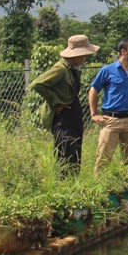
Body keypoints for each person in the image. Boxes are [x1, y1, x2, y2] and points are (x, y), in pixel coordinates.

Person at [30, 34, 99, 175]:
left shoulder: (71, 68)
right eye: (84, 54)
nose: (85, 58)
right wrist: (57, 103)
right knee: (65, 161)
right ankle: (64, 186)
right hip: (64, 122)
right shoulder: (60, 69)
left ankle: (72, 185)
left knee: (74, 160)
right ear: (76, 54)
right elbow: (37, 84)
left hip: (73, 119)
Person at [89, 39, 128, 173]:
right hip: (110, 121)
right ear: (123, 52)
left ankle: (126, 183)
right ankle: (100, 183)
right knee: (103, 160)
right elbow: (94, 90)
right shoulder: (107, 70)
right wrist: (94, 114)